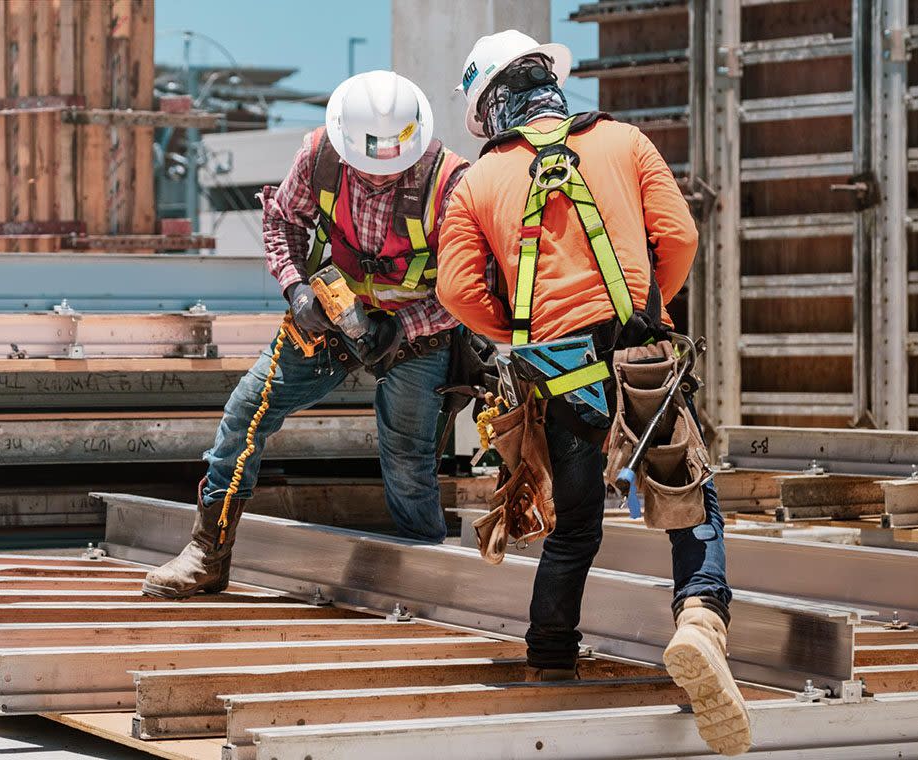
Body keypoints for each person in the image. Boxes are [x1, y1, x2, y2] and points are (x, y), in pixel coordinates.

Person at [436, 30, 751, 757]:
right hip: (642, 354)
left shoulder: (476, 183)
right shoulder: (626, 142)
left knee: (575, 527)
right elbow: (680, 239)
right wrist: (649, 313)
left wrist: (526, 330)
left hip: (557, 375)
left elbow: (456, 291)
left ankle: (550, 656)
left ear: (492, 107)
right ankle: (701, 619)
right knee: (686, 495)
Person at [143, 70, 469, 599]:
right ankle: (208, 552)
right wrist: (297, 289)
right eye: (368, 168)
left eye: (393, 167)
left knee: (408, 460)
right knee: (246, 414)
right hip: (330, 318)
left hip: (416, 331)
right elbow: (283, 222)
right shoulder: (319, 154)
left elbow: (468, 287)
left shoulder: (451, 181)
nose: (381, 178)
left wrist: (402, 326)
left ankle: (425, 579)